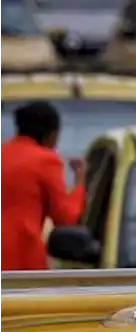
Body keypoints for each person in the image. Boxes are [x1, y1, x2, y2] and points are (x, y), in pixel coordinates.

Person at [0, 101, 87, 271]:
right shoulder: (46, 160)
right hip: (21, 264)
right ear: (51, 135)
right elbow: (65, 218)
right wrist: (80, 183)